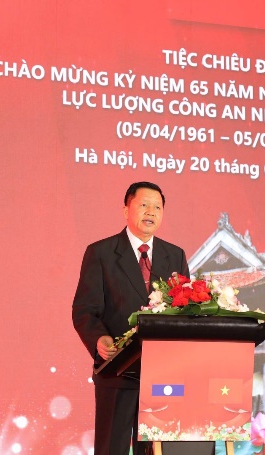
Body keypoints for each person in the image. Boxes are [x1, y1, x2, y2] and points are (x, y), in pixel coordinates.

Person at [72, 181, 190, 455]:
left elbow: (184, 308)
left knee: (156, 450)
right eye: (144, 205)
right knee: (112, 448)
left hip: (163, 375)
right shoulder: (101, 252)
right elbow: (84, 309)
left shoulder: (175, 255)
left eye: (157, 207)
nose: (151, 212)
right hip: (118, 368)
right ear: (126, 210)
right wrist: (99, 339)